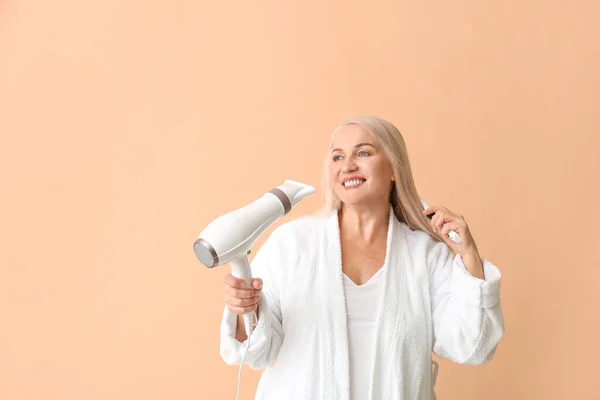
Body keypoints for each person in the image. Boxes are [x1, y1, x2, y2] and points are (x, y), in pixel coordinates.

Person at [219, 116, 504, 400]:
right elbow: (254, 352)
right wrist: (246, 308)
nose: (348, 165)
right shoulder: (292, 244)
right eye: (337, 156)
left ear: (393, 168)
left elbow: (471, 346)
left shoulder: (425, 254)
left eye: (363, 152)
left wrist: (468, 254)